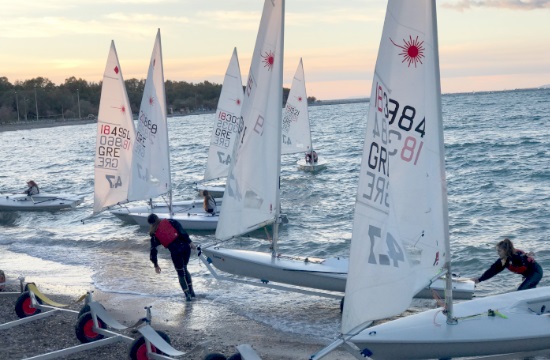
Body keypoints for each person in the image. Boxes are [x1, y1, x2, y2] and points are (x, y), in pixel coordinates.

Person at [147, 213, 197, 301]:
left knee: (181, 273)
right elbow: (182, 232)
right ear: (158, 218)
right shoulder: (171, 221)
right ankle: (192, 292)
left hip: (175, 252)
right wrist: (190, 242)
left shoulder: (154, 234)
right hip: (186, 248)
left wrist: (156, 265)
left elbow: (153, 251)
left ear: (151, 224)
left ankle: (187, 296)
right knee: (185, 268)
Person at [471, 238, 543, 291]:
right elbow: (492, 271)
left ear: (505, 250)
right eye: (497, 251)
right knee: (527, 290)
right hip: (528, 275)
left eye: (499, 251)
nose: (498, 253)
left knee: (521, 291)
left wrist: (527, 254)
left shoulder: (517, 255)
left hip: (536, 272)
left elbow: (523, 258)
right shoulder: (503, 261)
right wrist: (479, 279)